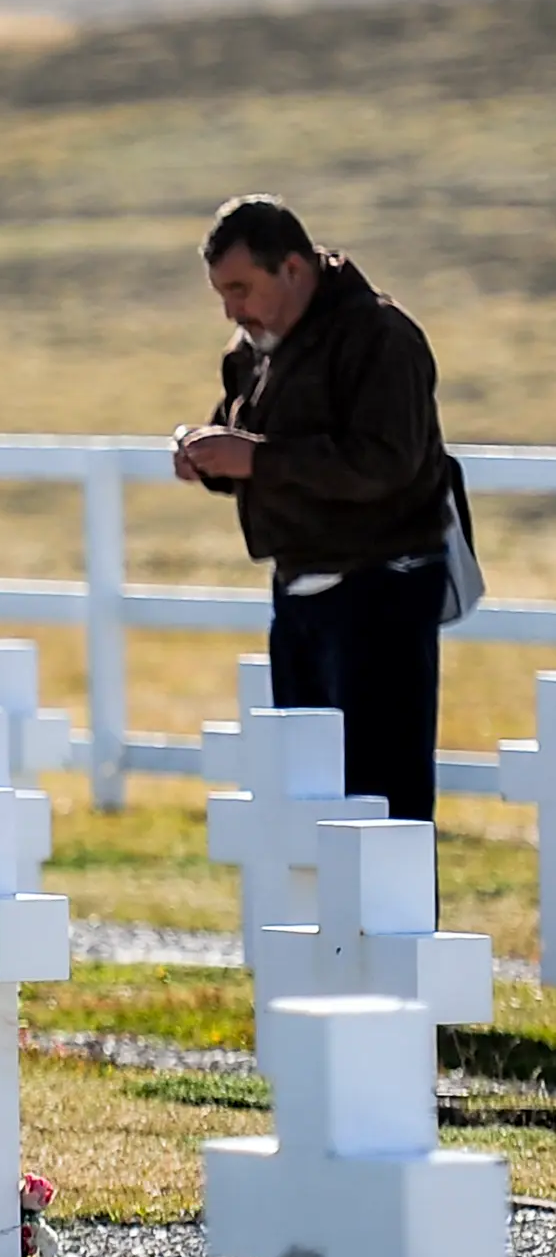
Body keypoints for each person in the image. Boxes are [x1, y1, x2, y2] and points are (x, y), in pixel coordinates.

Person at [174, 195, 454, 823]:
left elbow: (386, 464)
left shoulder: (380, 337)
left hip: (383, 590)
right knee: (307, 806)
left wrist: (255, 461)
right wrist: (210, 461)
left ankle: (394, 927)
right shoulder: (250, 351)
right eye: (222, 293)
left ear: (294, 269)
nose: (232, 309)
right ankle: (323, 926)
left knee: (384, 805)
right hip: (299, 595)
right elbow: (252, 454)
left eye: (242, 288)